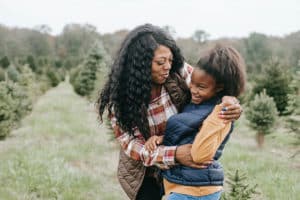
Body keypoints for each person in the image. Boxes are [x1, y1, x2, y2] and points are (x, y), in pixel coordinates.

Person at [96, 24, 242, 200]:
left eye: (170, 60)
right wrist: (176, 154)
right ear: (140, 64)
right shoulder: (119, 101)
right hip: (146, 171)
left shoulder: (179, 72)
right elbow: (132, 146)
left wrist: (230, 102)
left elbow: (212, 86)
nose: (167, 66)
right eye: (160, 62)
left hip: (184, 171)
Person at [145, 45, 246, 200]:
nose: (192, 89)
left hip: (195, 189)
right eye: (192, 83)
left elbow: (200, 155)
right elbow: (188, 134)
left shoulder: (221, 113)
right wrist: (161, 139)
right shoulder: (197, 103)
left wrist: (221, 111)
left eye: (201, 87)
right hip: (182, 184)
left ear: (219, 88)